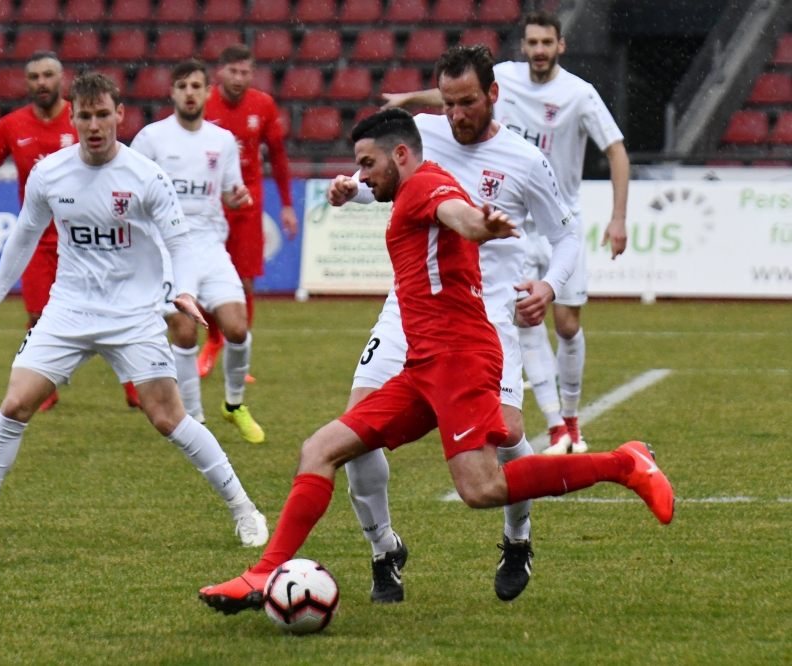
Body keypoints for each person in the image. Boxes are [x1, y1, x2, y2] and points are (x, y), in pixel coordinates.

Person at [197, 109, 673, 617]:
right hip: (423, 364)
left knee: (481, 487)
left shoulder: (425, 185)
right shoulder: (411, 186)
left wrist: (480, 225)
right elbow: (448, 211)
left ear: (400, 155)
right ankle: (264, 572)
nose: (362, 175)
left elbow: (457, 215)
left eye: (367, 164)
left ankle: (625, 464)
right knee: (320, 449)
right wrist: (449, 214)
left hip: (459, 358)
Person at [0, 72, 268, 549]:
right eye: (84, 116)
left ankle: (245, 510)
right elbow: (24, 234)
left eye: (103, 114)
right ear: (73, 118)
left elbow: (178, 240)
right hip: (68, 310)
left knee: (169, 419)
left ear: (119, 116)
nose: (94, 125)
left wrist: (184, 291)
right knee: (14, 404)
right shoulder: (50, 173)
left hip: (133, 315)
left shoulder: (146, 177)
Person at [332, 45, 580, 604]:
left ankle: (517, 537)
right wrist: (349, 185)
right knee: (357, 429)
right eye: (447, 103)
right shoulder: (424, 130)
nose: (455, 115)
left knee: (509, 435)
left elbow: (566, 235)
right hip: (410, 308)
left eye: (467, 102)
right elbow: (382, 164)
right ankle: (383, 549)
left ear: (493, 95)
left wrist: (548, 286)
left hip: (485, 317)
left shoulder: (523, 159)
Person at [382, 11, 631, 454]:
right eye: (531, 42)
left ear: (559, 46)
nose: (538, 50)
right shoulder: (495, 81)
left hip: (552, 212)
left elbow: (615, 149)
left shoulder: (579, 95)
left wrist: (617, 217)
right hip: (489, 254)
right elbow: (451, 93)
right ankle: (557, 426)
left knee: (567, 326)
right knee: (527, 325)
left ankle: (571, 419)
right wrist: (407, 100)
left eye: (545, 43)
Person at [131, 59, 264, 443]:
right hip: (166, 249)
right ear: (172, 92)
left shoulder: (221, 142)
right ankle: (194, 419)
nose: (189, 92)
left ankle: (234, 404)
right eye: (182, 86)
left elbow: (229, 190)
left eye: (196, 86)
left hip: (209, 245)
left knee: (238, 328)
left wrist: (236, 199)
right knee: (185, 332)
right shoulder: (151, 139)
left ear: (208, 92)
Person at [0, 51, 76, 412]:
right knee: (39, 316)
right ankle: (45, 387)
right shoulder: (11, 125)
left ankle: (134, 386)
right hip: (37, 238)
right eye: (35, 76)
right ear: (27, 82)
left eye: (48, 75)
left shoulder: (79, 119)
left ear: (61, 78)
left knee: (106, 311)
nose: (42, 82)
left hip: (80, 236)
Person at [198, 44, 299, 380]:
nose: (239, 78)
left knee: (245, 281)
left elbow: (279, 156)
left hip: (248, 204)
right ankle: (213, 341)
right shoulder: (203, 101)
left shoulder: (263, 105)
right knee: (205, 280)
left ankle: (238, 355)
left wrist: (286, 205)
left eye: (245, 72)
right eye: (233, 71)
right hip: (210, 203)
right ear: (220, 72)